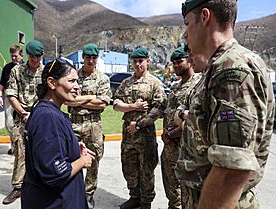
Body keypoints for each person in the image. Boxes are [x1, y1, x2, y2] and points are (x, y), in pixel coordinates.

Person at [176, 0, 275, 209]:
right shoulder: (217, 66)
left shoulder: (231, 68)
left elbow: (231, 170)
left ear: (204, 17)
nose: (185, 34)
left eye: (186, 24)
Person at [21, 58, 95, 209]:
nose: (77, 87)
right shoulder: (48, 117)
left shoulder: (44, 109)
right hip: (54, 201)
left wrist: (72, 147)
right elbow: (55, 173)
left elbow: (48, 147)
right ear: (52, 83)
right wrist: (83, 161)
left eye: (77, 81)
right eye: (71, 81)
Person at [113, 47, 166, 209]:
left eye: (140, 61)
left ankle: (146, 201)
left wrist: (139, 124)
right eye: (135, 61)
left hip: (145, 135)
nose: (137, 64)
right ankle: (134, 196)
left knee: (147, 169)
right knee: (129, 167)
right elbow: (116, 104)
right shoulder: (126, 83)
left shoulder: (154, 83)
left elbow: (159, 108)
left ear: (147, 62)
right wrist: (132, 106)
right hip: (128, 135)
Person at [67, 43, 111, 208]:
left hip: (94, 125)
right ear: (83, 58)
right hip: (74, 123)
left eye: (94, 57)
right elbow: (68, 99)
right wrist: (91, 98)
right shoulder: (73, 76)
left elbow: (102, 104)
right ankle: (72, 191)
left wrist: (80, 100)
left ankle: (88, 194)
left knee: (93, 161)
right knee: (71, 158)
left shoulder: (103, 78)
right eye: (88, 57)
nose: (91, 61)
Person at [3, 40, 45, 205]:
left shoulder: (45, 72)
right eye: (32, 56)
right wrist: (23, 112)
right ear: (27, 54)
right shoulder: (17, 71)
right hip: (21, 118)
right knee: (20, 153)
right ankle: (18, 187)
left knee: (41, 152)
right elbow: (11, 94)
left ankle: (41, 185)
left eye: (38, 56)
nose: (35, 59)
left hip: (40, 118)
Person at [161, 46, 201, 209]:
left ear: (190, 61)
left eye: (180, 62)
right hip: (169, 147)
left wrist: (171, 135)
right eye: (174, 63)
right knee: (171, 186)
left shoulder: (198, 85)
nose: (176, 65)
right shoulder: (175, 87)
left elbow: (195, 118)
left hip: (187, 148)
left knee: (187, 191)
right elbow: (167, 111)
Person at [0, 44, 23, 155]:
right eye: (12, 56)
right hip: (9, 98)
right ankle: (13, 145)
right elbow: (2, 83)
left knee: (23, 122)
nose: (13, 58)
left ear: (21, 55)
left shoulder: (26, 67)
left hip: (22, 98)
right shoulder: (7, 68)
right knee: (9, 123)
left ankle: (22, 146)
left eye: (16, 56)